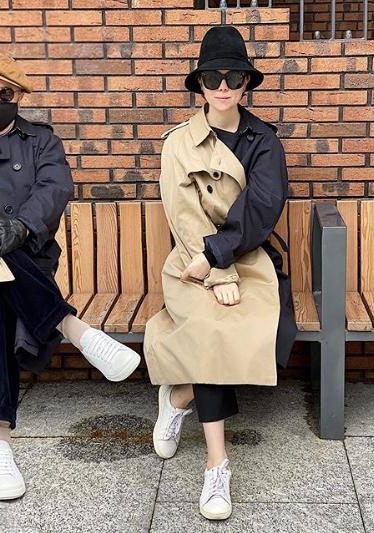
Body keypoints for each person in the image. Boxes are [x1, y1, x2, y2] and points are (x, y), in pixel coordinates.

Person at [0, 50, 140, 501]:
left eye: (6, 94)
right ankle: (73, 328)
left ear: (19, 98)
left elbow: (55, 188)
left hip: (25, 254)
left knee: (0, 275)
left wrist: (19, 226)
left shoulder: (40, 142)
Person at [144, 25, 297, 521]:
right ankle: (217, 465)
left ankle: (178, 396)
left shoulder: (263, 141)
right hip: (191, 261)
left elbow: (263, 206)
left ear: (246, 82)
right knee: (212, 333)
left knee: (268, 340)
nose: (224, 86)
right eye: (213, 77)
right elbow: (183, 215)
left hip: (247, 255)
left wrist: (223, 258)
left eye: (233, 76)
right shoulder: (178, 144)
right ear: (201, 85)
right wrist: (214, 270)